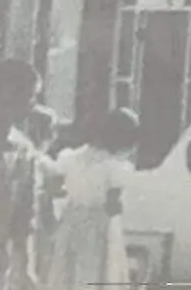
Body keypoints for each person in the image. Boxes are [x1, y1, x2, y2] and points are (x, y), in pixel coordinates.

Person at [0, 57, 45, 290]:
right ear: (0, 94)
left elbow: (24, 215)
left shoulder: (23, 150)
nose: (31, 105)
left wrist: (26, 268)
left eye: (32, 97)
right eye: (26, 97)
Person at [43, 108, 137, 290]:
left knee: (68, 274)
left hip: (71, 222)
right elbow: (113, 206)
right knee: (98, 274)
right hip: (99, 226)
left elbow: (54, 188)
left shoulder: (70, 157)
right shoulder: (116, 167)